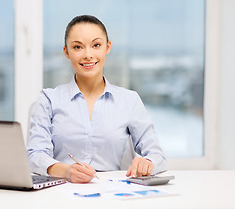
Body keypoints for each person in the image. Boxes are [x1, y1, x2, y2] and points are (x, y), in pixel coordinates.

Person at [27, 15, 167, 183]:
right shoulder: (48, 99)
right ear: (66, 52)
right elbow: (35, 155)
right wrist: (67, 171)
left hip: (112, 192)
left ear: (107, 47)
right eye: (78, 47)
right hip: (61, 191)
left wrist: (147, 162)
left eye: (96, 45)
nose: (88, 55)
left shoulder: (129, 100)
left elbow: (157, 155)